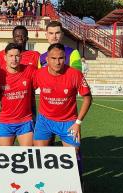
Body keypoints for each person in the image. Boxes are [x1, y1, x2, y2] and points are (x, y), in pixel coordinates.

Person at [33, 43, 92, 176]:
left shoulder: (75, 74)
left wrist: (78, 123)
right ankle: (46, 183)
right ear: (47, 59)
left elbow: (87, 98)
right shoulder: (39, 74)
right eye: (53, 58)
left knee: (72, 158)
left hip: (69, 122)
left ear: (65, 58)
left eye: (61, 58)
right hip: (45, 121)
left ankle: (76, 184)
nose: (57, 62)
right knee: (40, 156)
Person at [0, 43, 36, 146]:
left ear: (21, 57)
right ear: (5, 57)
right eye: (11, 56)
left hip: (25, 121)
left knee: (28, 154)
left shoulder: (30, 70)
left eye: (17, 56)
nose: (14, 59)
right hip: (5, 121)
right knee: (6, 156)